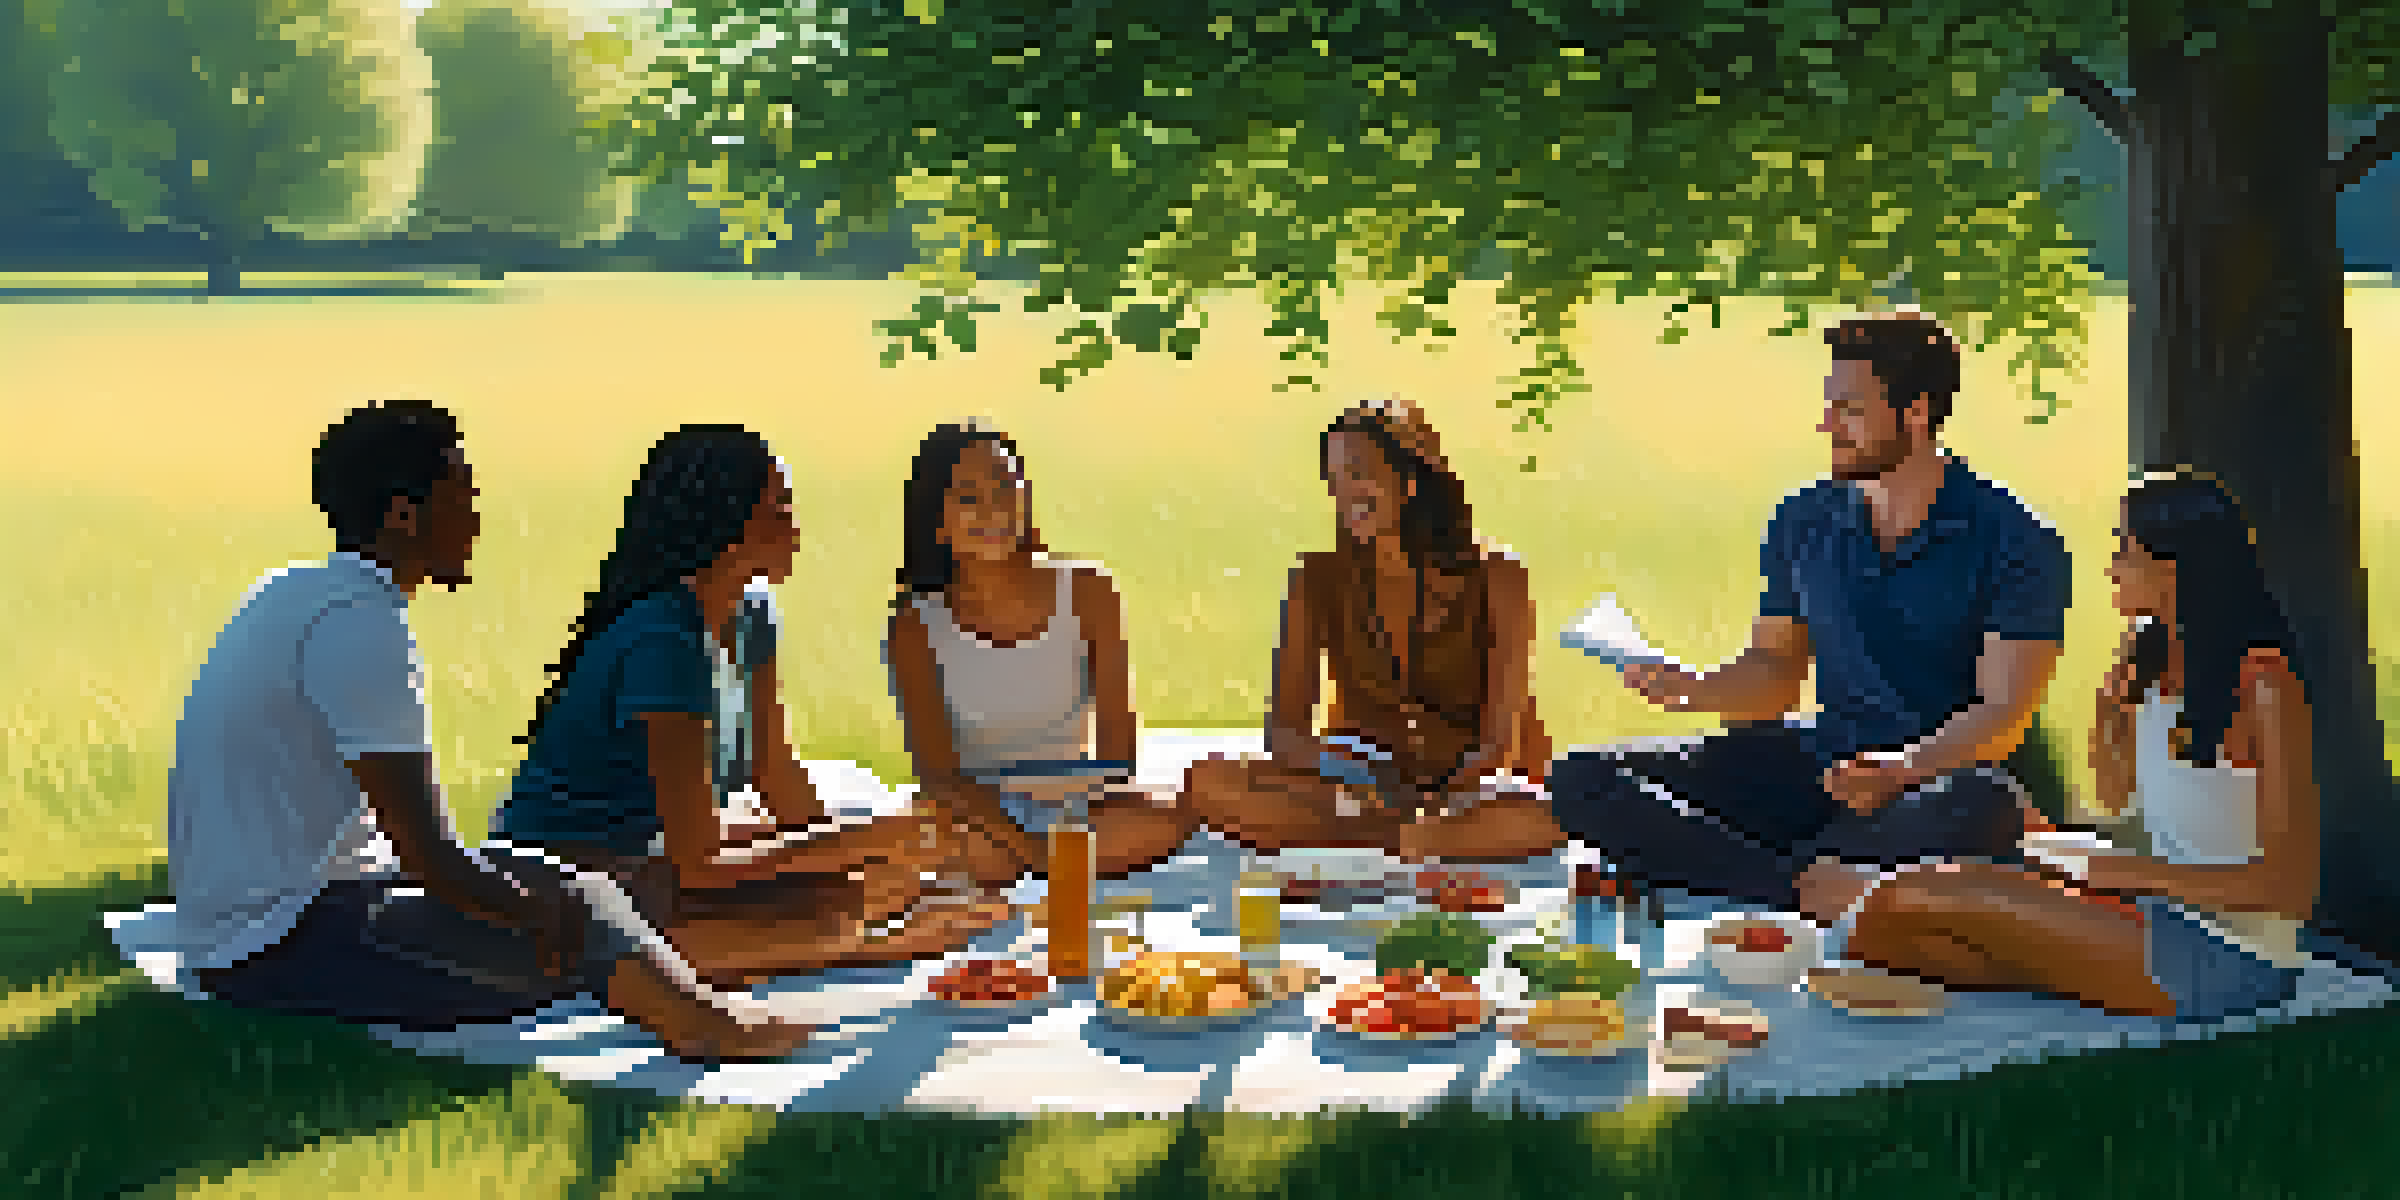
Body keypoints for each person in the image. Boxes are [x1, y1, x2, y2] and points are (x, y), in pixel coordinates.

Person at [170, 400, 805, 1060]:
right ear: (403, 515)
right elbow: (428, 858)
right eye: (461, 495)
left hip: (277, 914)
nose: (475, 518)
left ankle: (678, 992)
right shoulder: (362, 626)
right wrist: (537, 912)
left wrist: (535, 895)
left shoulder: (299, 591)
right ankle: (700, 1023)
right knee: (580, 912)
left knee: (578, 886)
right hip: (276, 943)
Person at [1545, 312, 2063, 910]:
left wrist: (1898, 769)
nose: (1827, 425)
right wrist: (1693, 689)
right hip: (1822, 764)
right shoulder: (1804, 517)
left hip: (1929, 780)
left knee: (1985, 804)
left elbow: (2004, 715)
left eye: (1850, 410)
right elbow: (1774, 672)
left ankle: (1757, 869)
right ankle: (1801, 885)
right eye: (1830, 406)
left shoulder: (2014, 539)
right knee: (1583, 777)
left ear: (1916, 413)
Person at [493, 424, 1009, 991]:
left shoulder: (752, 613)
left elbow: (775, 779)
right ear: (725, 529)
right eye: (778, 512)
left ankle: (839, 928)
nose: (794, 529)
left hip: (660, 855)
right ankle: (876, 947)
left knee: (880, 882)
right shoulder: (664, 640)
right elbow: (700, 864)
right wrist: (858, 847)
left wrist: (864, 855)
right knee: (820, 913)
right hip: (569, 871)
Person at [1805, 470, 2314, 1020]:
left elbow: (2288, 889)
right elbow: (2114, 797)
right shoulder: (2152, 658)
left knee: (1905, 901)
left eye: (2125, 551)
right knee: (1907, 913)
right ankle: (1905, 953)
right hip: (2156, 908)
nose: (2112, 567)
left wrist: (2125, 873)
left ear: (2172, 568)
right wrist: (2111, 712)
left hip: (2228, 957)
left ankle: (1889, 943)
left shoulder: (2263, 682)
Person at [1180, 397, 1562, 861]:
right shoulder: (1316, 578)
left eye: (1359, 473)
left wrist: (1442, 796)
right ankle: (1401, 840)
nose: (1345, 493)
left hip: (1470, 788)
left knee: (1557, 813)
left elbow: (1502, 740)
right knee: (1208, 781)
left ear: (1410, 480)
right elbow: (1284, 731)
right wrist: (1349, 772)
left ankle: (1381, 841)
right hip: (1358, 785)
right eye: (1334, 479)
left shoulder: (1497, 576)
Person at [886, 422, 1207, 886]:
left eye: (1003, 488)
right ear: (937, 521)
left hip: (1080, 804)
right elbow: (939, 776)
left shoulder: (1087, 589)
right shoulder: (914, 626)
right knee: (943, 843)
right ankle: (1051, 863)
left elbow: (1119, 749)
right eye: (969, 497)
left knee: (1169, 814)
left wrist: (1073, 817)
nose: (992, 509)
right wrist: (1025, 844)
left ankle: (1047, 861)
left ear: (1025, 496)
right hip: (982, 817)